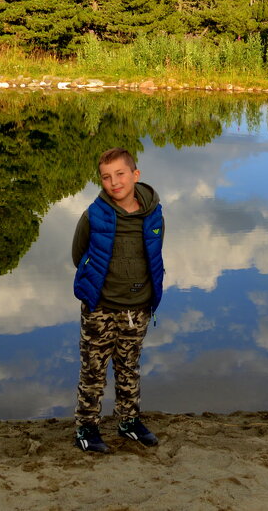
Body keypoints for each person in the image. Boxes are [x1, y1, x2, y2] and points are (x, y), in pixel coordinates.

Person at [71, 146, 165, 453]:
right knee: (93, 370)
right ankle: (86, 427)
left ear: (135, 175)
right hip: (100, 307)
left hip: (137, 309)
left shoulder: (153, 214)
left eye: (120, 174)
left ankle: (128, 421)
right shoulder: (93, 215)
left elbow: (152, 253)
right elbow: (78, 254)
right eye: (106, 177)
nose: (114, 182)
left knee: (129, 366)